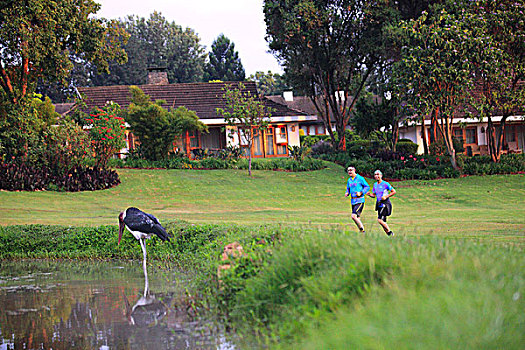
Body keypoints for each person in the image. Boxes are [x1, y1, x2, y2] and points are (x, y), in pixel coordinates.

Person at [368, 169, 396, 236]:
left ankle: (390, 233)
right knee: (383, 222)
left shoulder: (385, 184)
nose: (376, 176)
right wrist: (369, 194)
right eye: (375, 174)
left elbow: (394, 191)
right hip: (379, 204)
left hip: (385, 204)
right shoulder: (375, 185)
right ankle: (389, 236)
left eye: (378, 174)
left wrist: (386, 196)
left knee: (380, 220)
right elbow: (374, 195)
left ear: (381, 175)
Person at [344, 166, 370, 233]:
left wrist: (361, 193)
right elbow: (348, 188)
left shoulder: (360, 178)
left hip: (360, 200)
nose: (349, 171)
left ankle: (362, 230)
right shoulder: (349, 180)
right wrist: (347, 192)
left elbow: (367, 187)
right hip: (353, 201)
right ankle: (362, 233)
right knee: (357, 218)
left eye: (351, 170)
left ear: (354, 170)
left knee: (353, 216)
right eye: (348, 170)